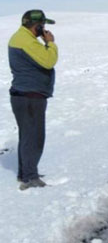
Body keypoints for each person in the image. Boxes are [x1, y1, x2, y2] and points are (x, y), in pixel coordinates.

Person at [8, 10, 58, 190]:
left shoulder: (22, 38)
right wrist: (50, 43)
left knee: (27, 136)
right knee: (34, 137)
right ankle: (30, 178)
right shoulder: (26, 41)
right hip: (30, 97)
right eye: (42, 26)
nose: (44, 29)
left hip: (25, 95)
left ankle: (26, 172)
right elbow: (48, 60)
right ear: (36, 25)